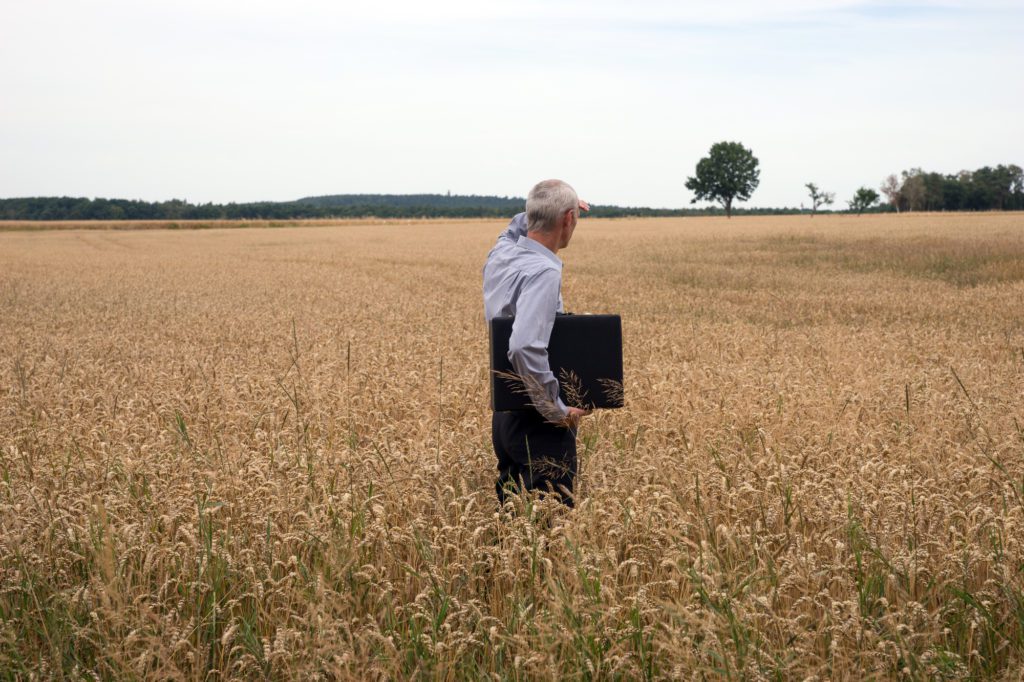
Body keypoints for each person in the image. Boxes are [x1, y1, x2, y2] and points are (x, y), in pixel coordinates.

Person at [482, 179, 591, 507]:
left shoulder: (503, 252)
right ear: (568, 220)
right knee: (548, 535)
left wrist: (551, 206)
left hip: (505, 417)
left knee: (513, 532)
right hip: (536, 423)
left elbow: (516, 226)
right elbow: (524, 346)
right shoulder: (543, 271)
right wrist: (555, 411)